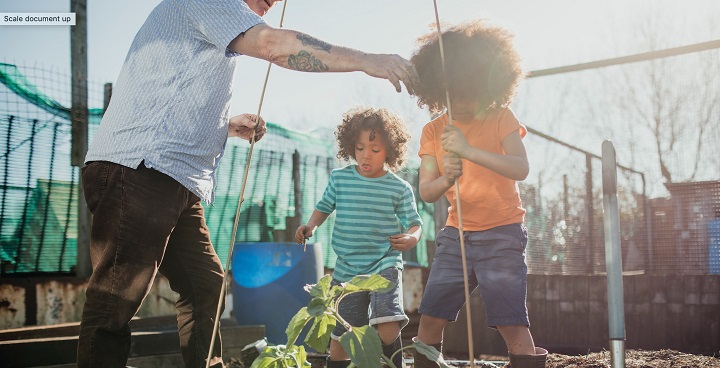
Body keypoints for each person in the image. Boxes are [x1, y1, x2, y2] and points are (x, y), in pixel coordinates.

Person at [77, 0, 420, 366]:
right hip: (141, 169)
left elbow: (165, 93)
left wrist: (224, 126)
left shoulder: (212, 18)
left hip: (174, 178)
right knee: (117, 295)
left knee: (204, 284)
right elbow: (274, 45)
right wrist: (368, 61)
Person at [409, 20, 547, 368]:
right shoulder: (432, 131)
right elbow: (427, 190)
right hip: (456, 236)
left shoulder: (501, 117)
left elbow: (520, 167)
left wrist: (469, 151)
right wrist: (444, 181)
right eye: (454, 92)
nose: (463, 101)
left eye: (470, 91)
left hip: (502, 232)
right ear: (439, 88)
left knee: (510, 320)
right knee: (430, 317)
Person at [294, 107, 423, 368]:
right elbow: (324, 207)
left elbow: (415, 224)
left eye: (375, 150)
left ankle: (390, 362)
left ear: (390, 151)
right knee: (342, 337)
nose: (366, 155)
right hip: (347, 268)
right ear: (349, 146)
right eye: (360, 148)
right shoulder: (340, 179)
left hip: (384, 263)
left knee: (387, 329)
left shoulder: (399, 187)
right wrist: (310, 226)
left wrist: (412, 239)